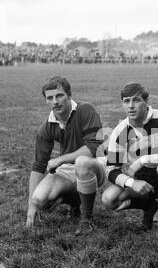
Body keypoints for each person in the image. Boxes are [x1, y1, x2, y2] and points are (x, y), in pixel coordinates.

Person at [77, 82, 158, 247]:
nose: (131, 106)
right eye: (126, 101)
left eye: (136, 100)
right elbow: (111, 170)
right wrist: (131, 182)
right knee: (109, 199)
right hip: (142, 182)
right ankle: (149, 205)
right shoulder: (120, 130)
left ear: (146, 101)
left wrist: (143, 160)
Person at [26, 76, 105, 235]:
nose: (55, 101)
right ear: (46, 101)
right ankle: (76, 200)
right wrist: (31, 206)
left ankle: (86, 219)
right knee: (40, 200)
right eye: (50, 98)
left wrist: (60, 159)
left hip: (95, 163)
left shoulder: (85, 110)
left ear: (69, 95)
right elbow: (39, 165)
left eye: (59, 95)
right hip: (69, 168)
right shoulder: (47, 127)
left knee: (82, 162)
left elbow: (94, 147)